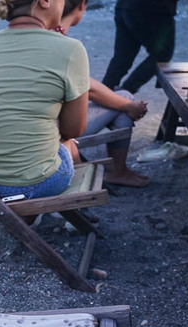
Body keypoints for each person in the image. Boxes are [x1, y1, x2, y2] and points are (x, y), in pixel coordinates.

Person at [0, 0, 89, 200]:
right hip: (31, 182)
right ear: (45, 1)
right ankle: (71, 204)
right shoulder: (70, 49)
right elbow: (73, 130)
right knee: (65, 143)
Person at [60, 0, 150, 187]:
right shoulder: (60, 42)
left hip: (43, 125)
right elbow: (88, 87)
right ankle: (118, 171)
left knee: (121, 98)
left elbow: (85, 84)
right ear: (81, 6)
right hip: (55, 130)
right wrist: (130, 105)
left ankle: (119, 170)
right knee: (124, 99)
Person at [101, 0, 178, 94]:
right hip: (153, 9)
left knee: (122, 58)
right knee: (162, 54)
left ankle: (102, 94)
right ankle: (125, 92)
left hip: (124, 6)